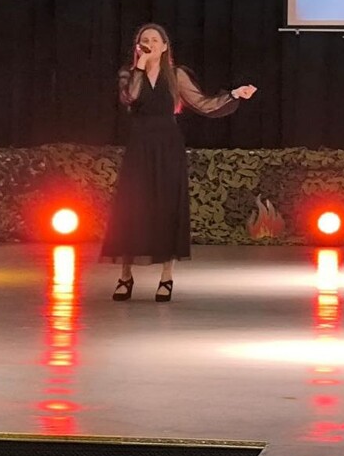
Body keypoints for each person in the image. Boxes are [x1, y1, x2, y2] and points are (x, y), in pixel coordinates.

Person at [100, 23, 257, 302]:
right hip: (140, 145)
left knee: (167, 206)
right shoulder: (128, 74)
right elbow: (130, 98)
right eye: (144, 40)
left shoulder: (176, 75)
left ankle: (166, 277)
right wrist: (141, 66)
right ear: (138, 46)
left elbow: (204, 104)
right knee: (132, 207)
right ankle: (125, 276)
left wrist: (234, 94)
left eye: (155, 40)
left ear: (164, 46)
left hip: (168, 145)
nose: (149, 43)